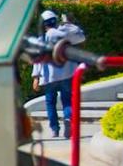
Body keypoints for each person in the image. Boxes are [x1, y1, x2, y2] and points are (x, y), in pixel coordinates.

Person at [32, 10, 85, 139]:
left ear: (43, 24)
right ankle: (68, 120)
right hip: (67, 75)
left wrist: (36, 77)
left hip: (49, 78)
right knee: (67, 101)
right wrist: (67, 23)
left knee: (50, 104)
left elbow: (37, 60)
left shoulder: (41, 39)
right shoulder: (65, 34)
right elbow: (81, 35)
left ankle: (54, 130)